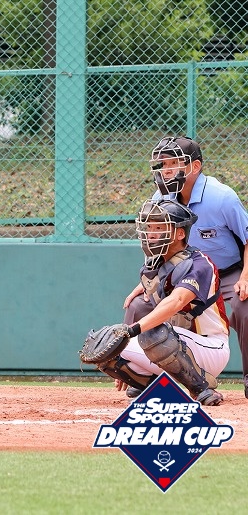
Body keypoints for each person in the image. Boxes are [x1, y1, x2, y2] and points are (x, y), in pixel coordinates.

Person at [124, 135, 248, 398]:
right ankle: (141, 373)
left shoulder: (222, 197)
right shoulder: (160, 198)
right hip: (179, 272)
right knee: (138, 305)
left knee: (244, 308)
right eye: (163, 164)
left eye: (174, 163)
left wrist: (245, 277)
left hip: (229, 272)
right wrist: (146, 282)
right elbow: (157, 242)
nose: (166, 170)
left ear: (195, 166)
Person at [105, 199, 230, 405]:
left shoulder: (199, 264)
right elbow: (140, 308)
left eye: (159, 228)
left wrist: (132, 331)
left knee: (148, 334)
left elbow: (177, 300)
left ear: (180, 233)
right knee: (108, 349)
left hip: (210, 347)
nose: (151, 233)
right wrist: (122, 353)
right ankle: (150, 384)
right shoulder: (153, 267)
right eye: (149, 227)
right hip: (172, 345)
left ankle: (201, 387)